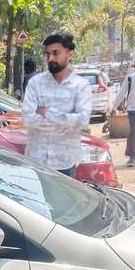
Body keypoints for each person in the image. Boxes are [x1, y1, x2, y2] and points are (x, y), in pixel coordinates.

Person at [21, 32, 92, 177]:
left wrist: (47, 113)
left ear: (70, 54)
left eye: (55, 53)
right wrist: (66, 121)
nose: (51, 58)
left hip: (65, 161)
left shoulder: (81, 86)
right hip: (38, 159)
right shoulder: (36, 83)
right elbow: (28, 118)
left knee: (64, 200)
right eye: (48, 54)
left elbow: (82, 121)